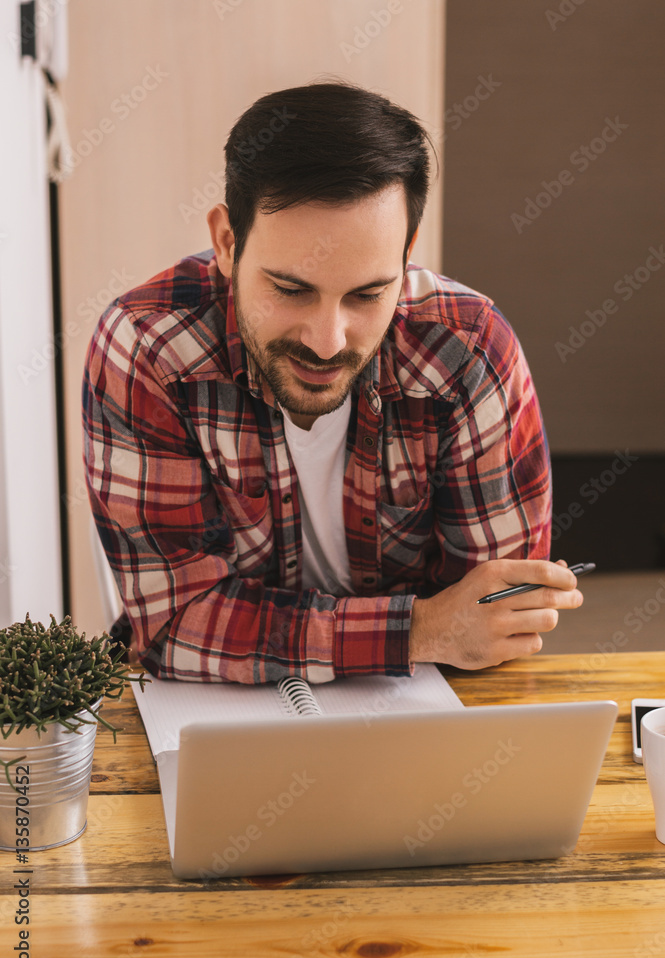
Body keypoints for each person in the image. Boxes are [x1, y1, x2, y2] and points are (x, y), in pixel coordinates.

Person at [83, 81, 583, 685]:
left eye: (368, 294)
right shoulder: (148, 348)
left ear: (405, 256)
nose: (328, 340)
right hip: (204, 705)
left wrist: (461, 626)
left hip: (419, 710)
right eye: (291, 290)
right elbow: (174, 623)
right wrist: (419, 629)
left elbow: (496, 621)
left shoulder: (470, 352)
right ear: (226, 242)